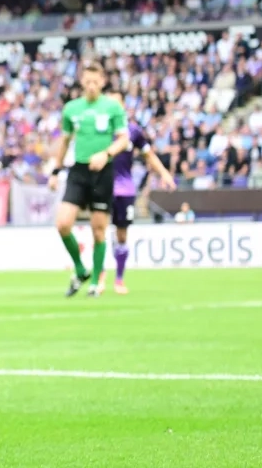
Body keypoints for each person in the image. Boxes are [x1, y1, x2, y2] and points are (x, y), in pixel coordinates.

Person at [48, 62, 130, 298]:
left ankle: (95, 282)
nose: (91, 85)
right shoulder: (71, 109)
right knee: (63, 223)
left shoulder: (112, 107)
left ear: (102, 82)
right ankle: (80, 269)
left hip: (103, 172)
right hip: (78, 171)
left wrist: (106, 154)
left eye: (96, 81)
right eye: (88, 81)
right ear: (82, 82)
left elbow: (123, 139)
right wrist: (55, 171)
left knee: (98, 230)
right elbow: (65, 142)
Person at [95, 94, 176, 294]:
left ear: (122, 106)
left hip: (124, 189)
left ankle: (119, 280)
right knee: (99, 232)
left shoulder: (133, 131)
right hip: (102, 187)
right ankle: (100, 277)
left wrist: (164, 173)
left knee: (122, 234)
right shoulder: (99, 130)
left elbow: (149, 155)